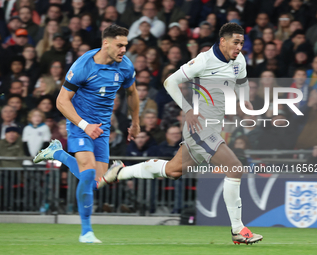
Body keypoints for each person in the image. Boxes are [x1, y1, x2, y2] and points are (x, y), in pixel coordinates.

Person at [103, 23, 263, 244]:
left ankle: (120, 172)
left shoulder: (239, 61)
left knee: (172, 170)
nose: (239, 47)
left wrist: (244, 101)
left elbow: (243, 81)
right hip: (199, 128)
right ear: (223, 41)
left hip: (213, 128)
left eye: (242, 42)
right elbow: (170, 81)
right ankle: (238, 229)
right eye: (236, 42)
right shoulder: (205, 60)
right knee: (235, 168)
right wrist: (188, 110)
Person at [33, 24, 139, 243]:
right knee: (89, 172)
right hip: (79, 125)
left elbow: (132, 92)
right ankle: (86, 232)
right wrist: (83, 125)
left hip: (101, 129)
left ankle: (58, 154)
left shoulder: (125, 66)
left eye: (125, 46)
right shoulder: (83, 66)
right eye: (119, 45)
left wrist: (135, 122)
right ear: (106, 43)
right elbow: (61, 101)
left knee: (95, 182)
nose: (123, 50)